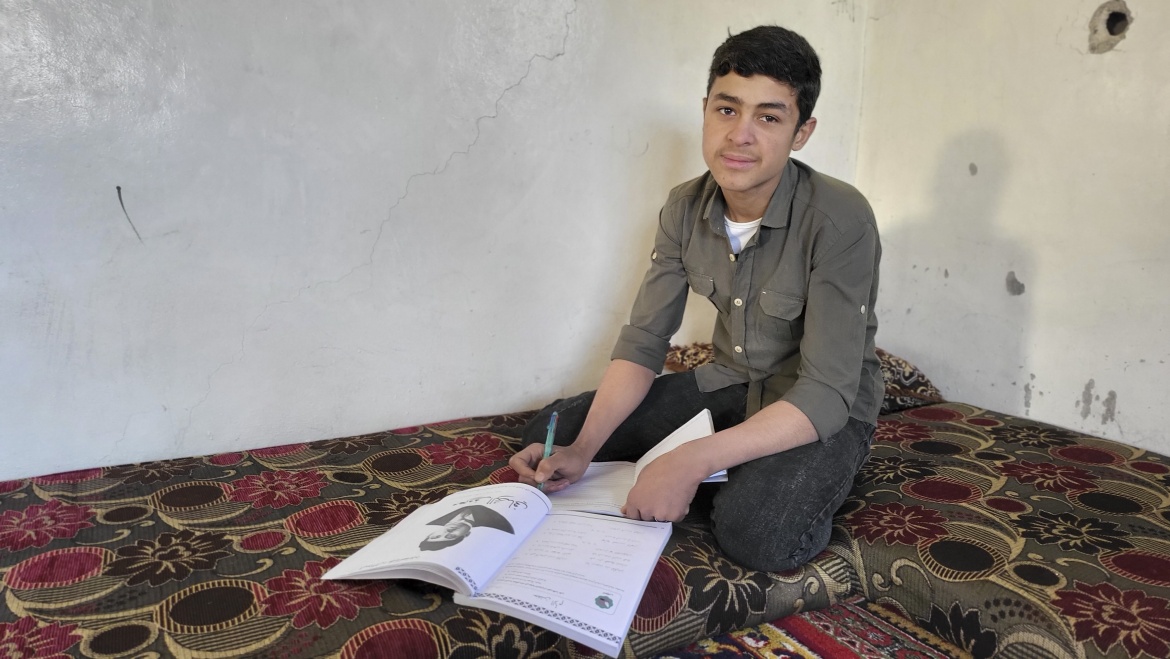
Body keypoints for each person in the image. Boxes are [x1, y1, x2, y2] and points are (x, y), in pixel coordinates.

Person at [509, 25, 881, 572]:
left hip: (813, 406)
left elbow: (826, 392)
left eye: (770, 117)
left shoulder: (839, 217)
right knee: (554, 433)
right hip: (730, 381)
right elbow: (643, 343)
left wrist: (688, 460)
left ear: (802, 132)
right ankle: (723, 465)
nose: (741, 135)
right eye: (727, 110)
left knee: (757, 535)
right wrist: (585, 449)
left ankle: (773, 471)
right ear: (706, 108)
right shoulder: (685, 206)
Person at [418, 504, 515, 551]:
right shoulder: (499, 523)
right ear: (466, 535)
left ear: (431, 533)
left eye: (436, 537)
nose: (447, 531)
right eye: (451, 536)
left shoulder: (436, 512)